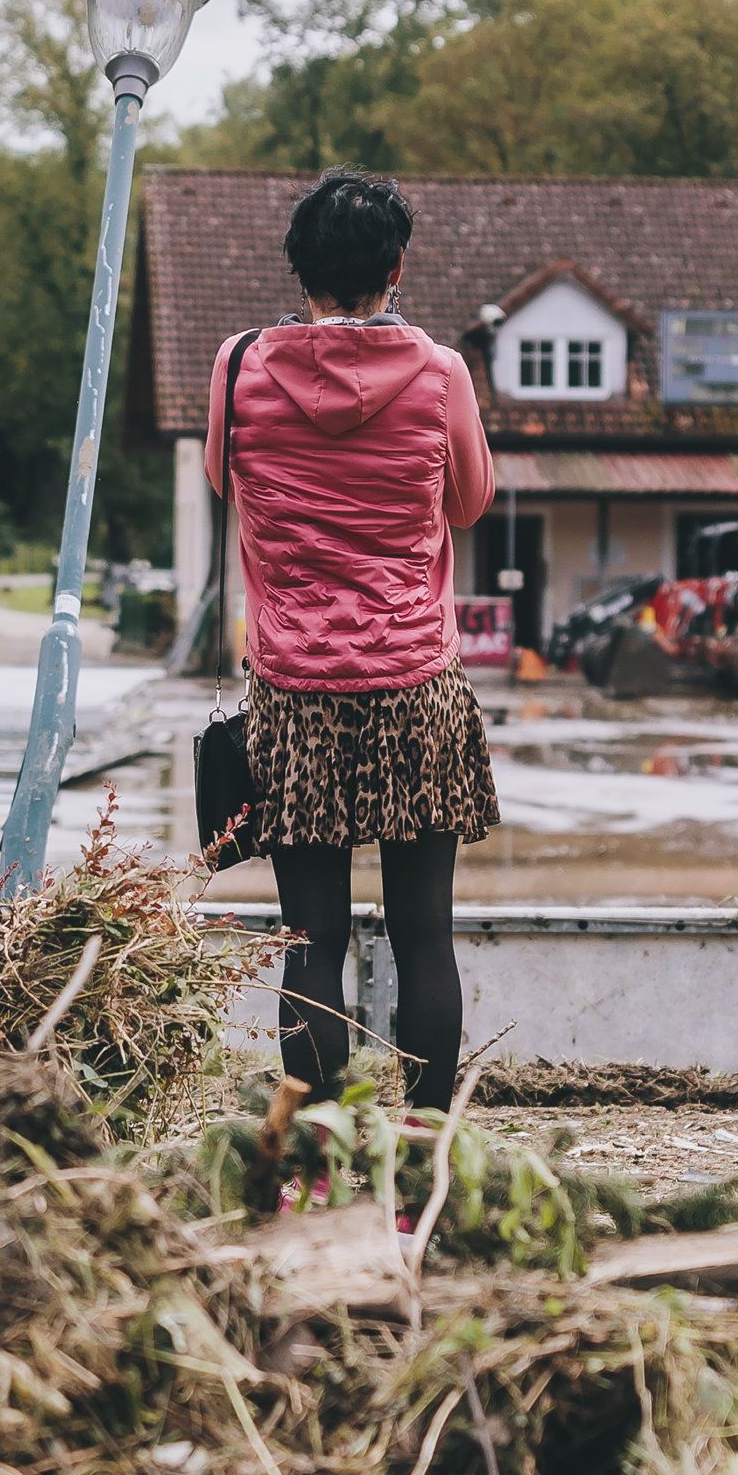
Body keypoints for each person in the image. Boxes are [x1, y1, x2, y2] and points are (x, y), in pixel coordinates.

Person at [207, 170, 497, 1115]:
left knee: (310, 940)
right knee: (424, 936)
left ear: (300, 268)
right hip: (417, 678)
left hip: (294, 689)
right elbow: (470, 503)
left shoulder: (238, 364)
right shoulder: (441, 372)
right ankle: (422, 1149)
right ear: (397, 267)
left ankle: (318, 1151)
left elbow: (223, 478)